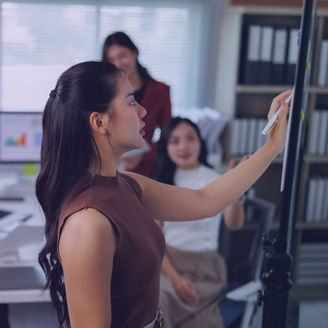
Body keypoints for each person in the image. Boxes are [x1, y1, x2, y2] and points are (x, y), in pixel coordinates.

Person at [36, 60, 291, 328]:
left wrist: (273, 146)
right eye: (132, 101)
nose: (144, 111)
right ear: (100, 121)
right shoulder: (88, 224)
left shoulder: (129, 185)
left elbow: (205, 201)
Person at [152, 117, 246, 328]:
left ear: (200, 143)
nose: (183, 147)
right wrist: (175, 278)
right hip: (167, 266)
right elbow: (155, 240)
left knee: (170, 306)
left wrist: (236, 189)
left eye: (190, 138)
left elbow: (235, 224)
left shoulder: (215, 180)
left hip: (205, 270)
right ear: (166, 147)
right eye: (174, 141)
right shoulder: (161, 182)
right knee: (151, 302)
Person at [102, 31, 172, 177]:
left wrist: (144, 155)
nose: (118, 64)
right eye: (111, 59)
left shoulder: (160, 91)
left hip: (147, 170)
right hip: (109, 167)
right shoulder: (105, 93)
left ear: (134, 52)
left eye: (122, 56)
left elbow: (169, 135)